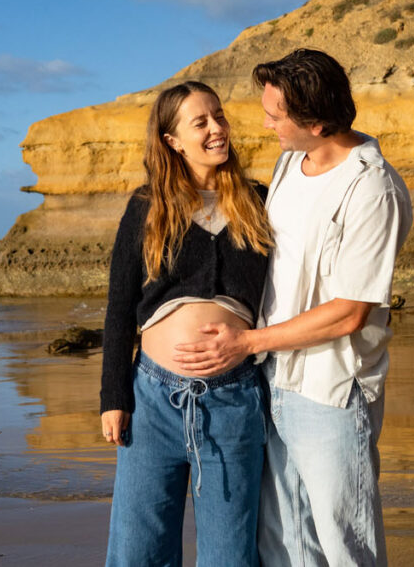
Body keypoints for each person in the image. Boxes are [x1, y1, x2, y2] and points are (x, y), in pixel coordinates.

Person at [173, 49, 413, 567]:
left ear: (317, 121)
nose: (264, 123)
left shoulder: (372, 188)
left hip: (332, 390)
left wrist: (246, 342)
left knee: (344, 544)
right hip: (273, 382)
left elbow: (351, 311)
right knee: (285, 545)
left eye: (276, 115)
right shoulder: (287, 165)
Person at [101, 80, 274, 567]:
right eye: (201, 122)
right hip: (152, 402)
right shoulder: (147, 206)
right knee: (139, 553)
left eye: (219, 116)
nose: (217, 129)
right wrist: (114, 398)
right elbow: (119, 306)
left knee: (229, 557)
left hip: (234, 401)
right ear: (172, 140)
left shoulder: (260, 200)